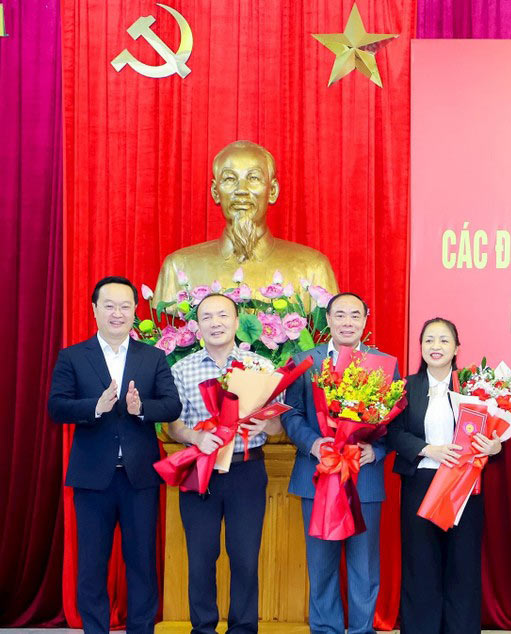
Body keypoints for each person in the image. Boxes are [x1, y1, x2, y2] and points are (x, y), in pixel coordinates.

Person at [48, 276, 182, 634]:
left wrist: (141, 409)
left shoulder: (152, 357)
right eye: (109, 305)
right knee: (92, 566)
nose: (117, 313)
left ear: (135, 312)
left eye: (125, 306)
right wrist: (96, 405)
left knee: (141, 563)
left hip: (139, 478)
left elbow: (172, 405)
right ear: (94, 310)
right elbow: (57, 406)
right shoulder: (73, 356)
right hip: (92, 480)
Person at [281, 292, 398, 634]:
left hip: (364, 476)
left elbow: (396, 420)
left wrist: (378, 450)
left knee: (364, 566)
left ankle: (362, 630)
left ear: (365, 319)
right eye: (340, 315)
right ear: (327, 320)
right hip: (318, 474)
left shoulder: (383, 364)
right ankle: (326, 630)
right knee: (322, 565)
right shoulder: (305, 361)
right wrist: (313, 443)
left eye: (354, 315)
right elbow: (293, 413)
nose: (347, 322)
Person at [166, 293, 283, 633]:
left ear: (236, 322)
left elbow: (277, 426)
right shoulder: (181, 369)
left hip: (247, 470)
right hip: (199, 469)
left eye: (223, 316)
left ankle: (243, 628)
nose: (215, 322)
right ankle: (202, 627)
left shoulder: (260, 367)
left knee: (245, 558)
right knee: (201, 558)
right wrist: (195, 437)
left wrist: (267, 424)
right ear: (198, 325)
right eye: (207, 317)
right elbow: (172, 425)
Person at [386, 317, 501, 633]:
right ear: (420, 347)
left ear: (456, 348)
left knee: (462, 568)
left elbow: (492, 434)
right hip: (420, 484)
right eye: (429, 340)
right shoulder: (406, 387)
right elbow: (392, 433)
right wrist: (427, 449)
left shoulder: (476, 389)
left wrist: (494, 446)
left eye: (444, 340)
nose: (435, 347)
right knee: (420, 566)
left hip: (465, 487)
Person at [153, 140, 337, 308]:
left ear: (272, 191)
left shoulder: (313, 267)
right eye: (230, 179)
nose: (241, 190)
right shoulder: (179, 267)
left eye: (253, 178)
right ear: (215, 192)